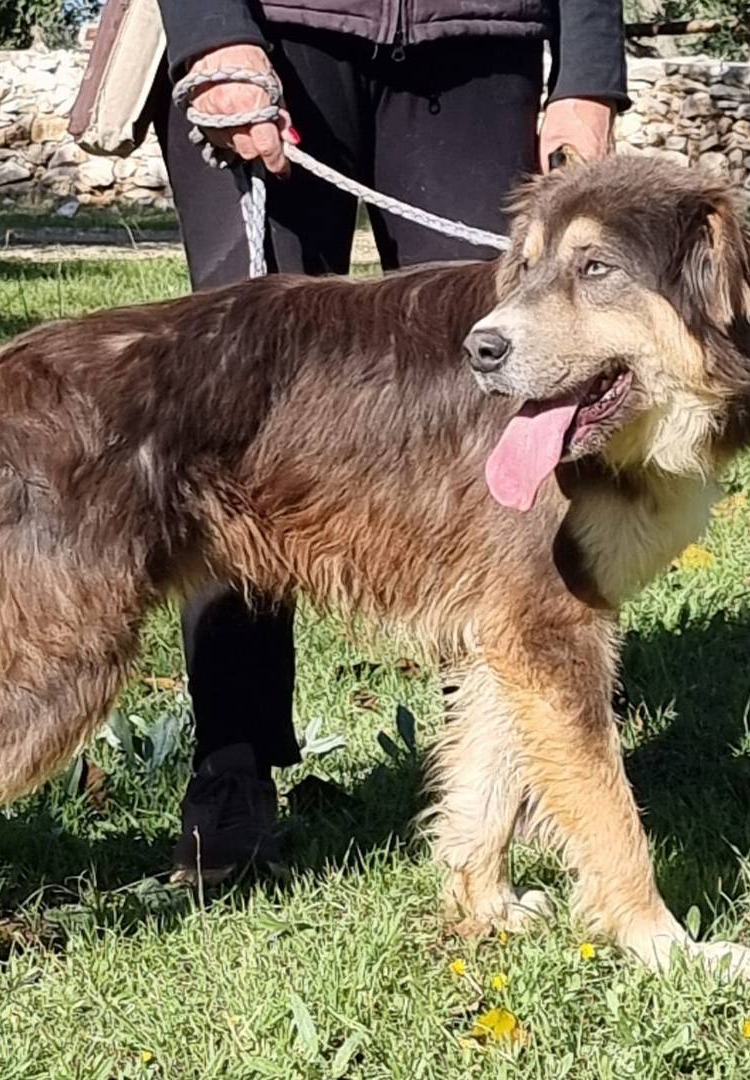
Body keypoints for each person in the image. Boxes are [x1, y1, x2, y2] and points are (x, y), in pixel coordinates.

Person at [149, 0, 628, 884]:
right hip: (272, 37)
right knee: (236, 431)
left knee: (510, 386)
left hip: (476, 47)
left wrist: (589, 72)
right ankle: (233, 768)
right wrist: (213, 30)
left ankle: (494, 780)